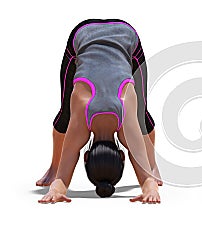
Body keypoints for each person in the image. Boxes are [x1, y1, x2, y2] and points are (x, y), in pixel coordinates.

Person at [36, 19, 161, 203]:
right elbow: (62, 180)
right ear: (86, 157)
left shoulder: (126, 122)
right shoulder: (81, 122)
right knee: (67, 114)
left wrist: (149, 186)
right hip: (85, 35)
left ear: (121, 156)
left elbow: (146, 179)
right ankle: (152, 166)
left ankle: (152, 166)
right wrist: (56, 187)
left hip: (124, 35)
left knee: (140, 115)